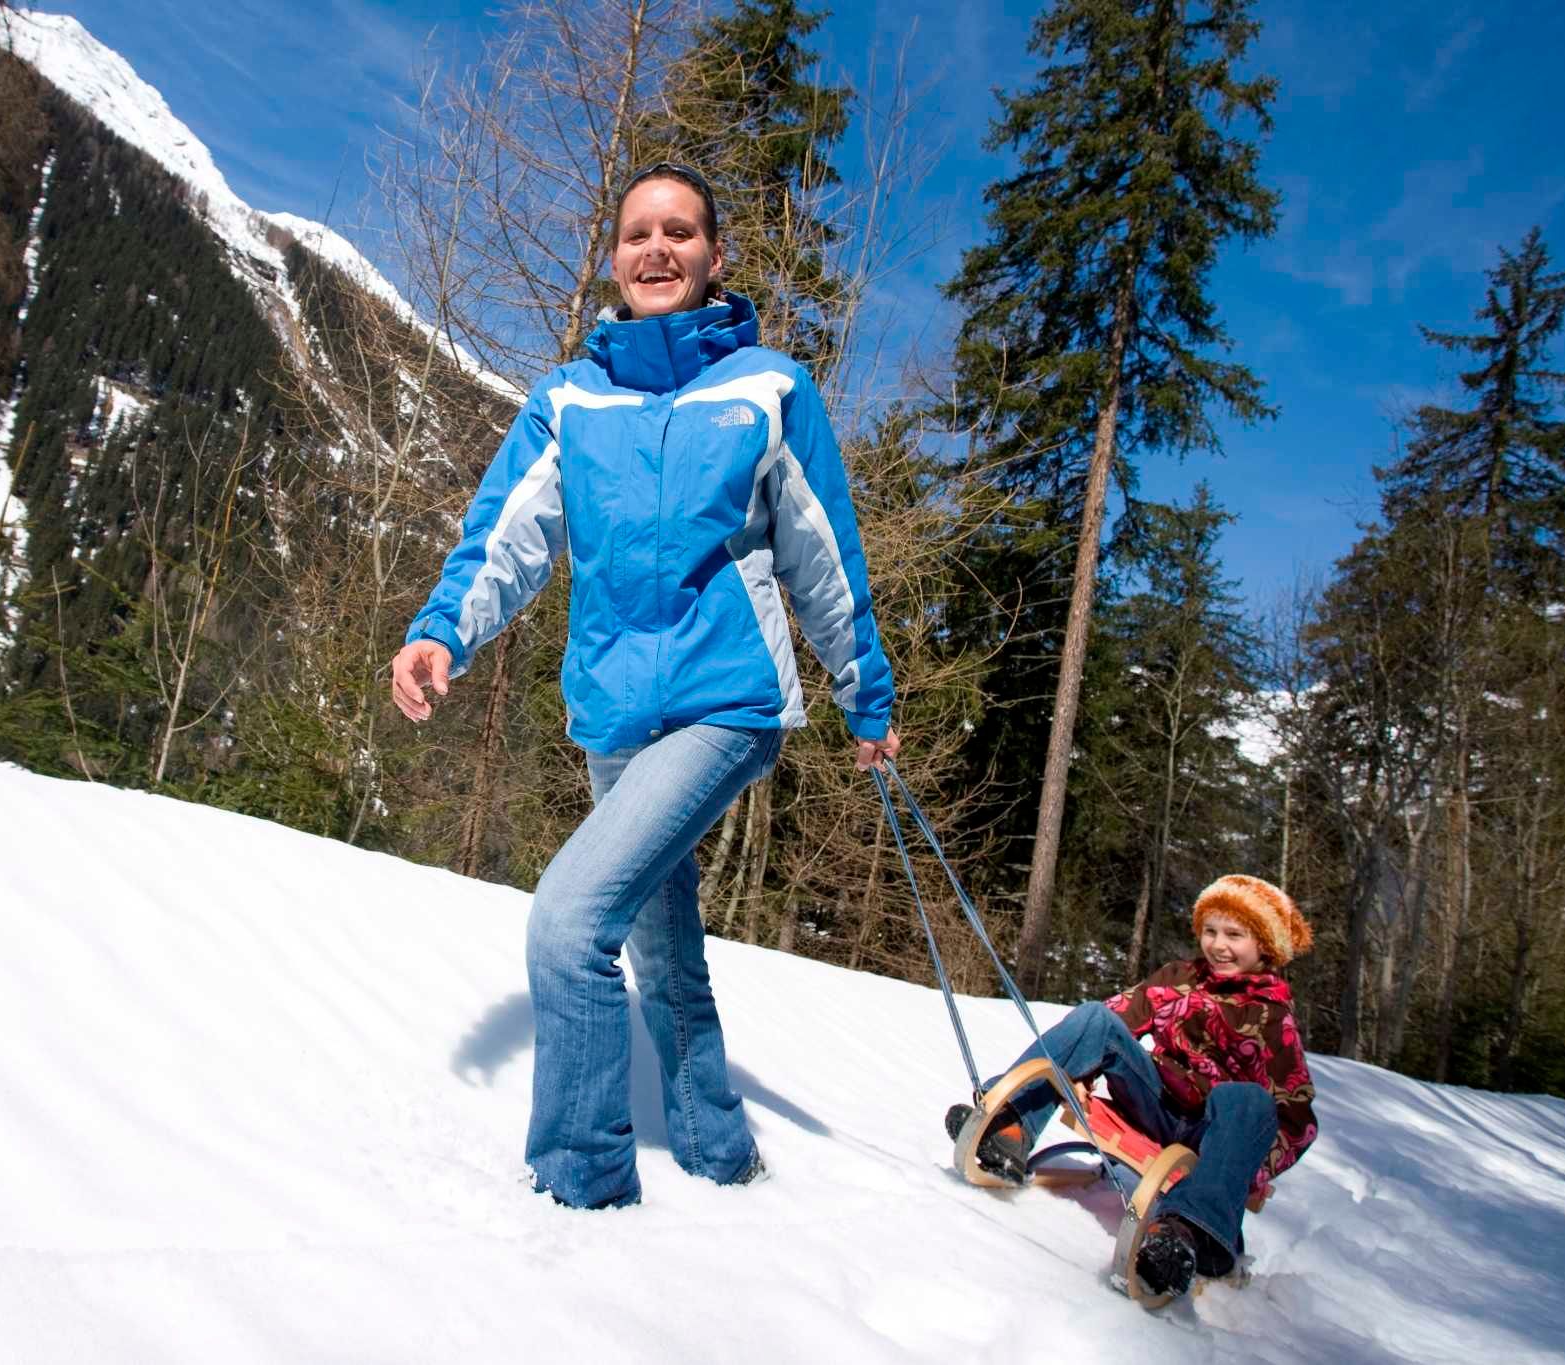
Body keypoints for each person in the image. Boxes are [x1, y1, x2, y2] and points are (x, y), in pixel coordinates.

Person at [390, 162, 899, 1211]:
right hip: (614, 712)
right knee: (664, 954)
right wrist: (444, 631)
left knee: (568, 924)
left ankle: (581, 1191)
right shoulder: (569, 400)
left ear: (713, 255)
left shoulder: (767, 389)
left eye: (678, 232)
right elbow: (506, 534)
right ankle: (721, 1155)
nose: (656, 249)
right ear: (613, 258)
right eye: (636, 234)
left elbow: (823, 556)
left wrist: (866, 697)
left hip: (726, 703)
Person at [945, 874, 1318, 1296]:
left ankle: (1187, 1232)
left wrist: (1250, 1163)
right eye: (1210, 931)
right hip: (1154, 1101)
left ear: (1265, 945)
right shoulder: (1179, 978)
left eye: (1234, 935)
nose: (1218, 945)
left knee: (1247, 1099)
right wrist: (1081, 1072)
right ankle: (1009, 1125)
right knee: (1096, 1018)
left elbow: (1297, 1118)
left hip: (1212, 1138)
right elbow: (1116, 1019)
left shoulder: (1273, 1018)